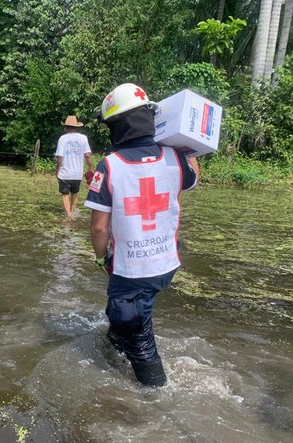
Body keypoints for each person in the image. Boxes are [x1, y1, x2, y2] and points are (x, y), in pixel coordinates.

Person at [84, 83, 199, 387]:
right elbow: (193, 175)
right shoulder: (176, 159)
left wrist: (100, 257)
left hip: (132, 267)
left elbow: (99, 228)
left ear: (116, 126)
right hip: (166, 263)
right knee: (121, 314)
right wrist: (188, 144)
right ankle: (114, 348)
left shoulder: (109, 166)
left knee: (134, 328)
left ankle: (156, 396)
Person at [55, 115, 94, 220]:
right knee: (75, 193)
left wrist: (57, 170)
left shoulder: (62, 139)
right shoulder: (83, 138)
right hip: (77, 172)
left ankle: (68, 215)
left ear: (66, 127)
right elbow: (87, 155)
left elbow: (59, 157)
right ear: (76, 127)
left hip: (64, 172)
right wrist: (91, 168)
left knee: (65, 194)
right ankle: (72, 212)